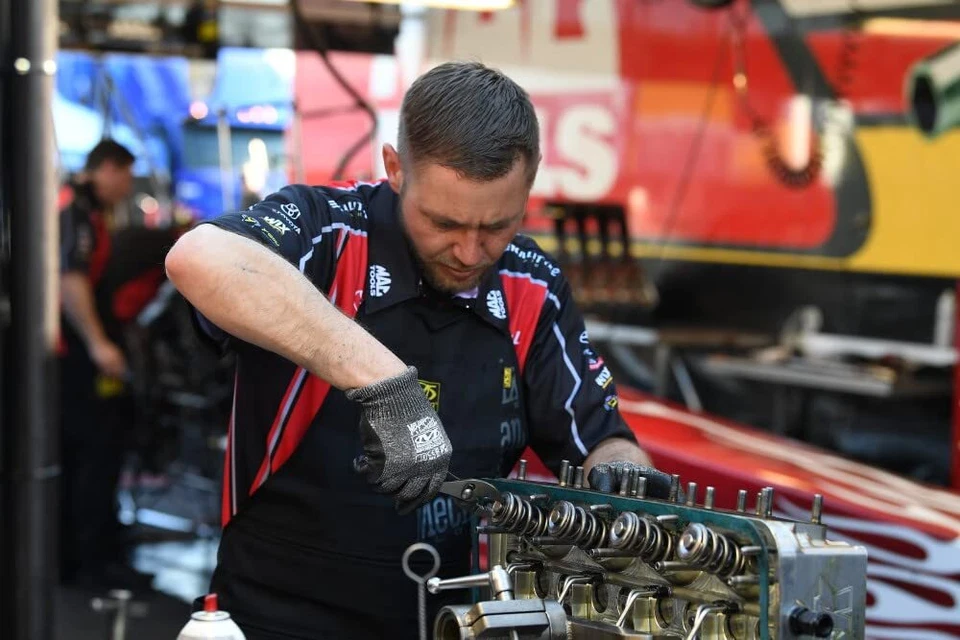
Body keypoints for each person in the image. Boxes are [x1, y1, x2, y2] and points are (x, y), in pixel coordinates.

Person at [165, 61, 675, 639]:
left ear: (529, 186)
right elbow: (198, 259)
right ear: (394, 169)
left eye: (498, 226)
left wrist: (625, 480)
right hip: (274, 615)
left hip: (450, 616)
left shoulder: (531, 283)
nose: (469, 250)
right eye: (445, 222)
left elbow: (599, 437)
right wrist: (388, 386)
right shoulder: (328, 231)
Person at [58, 139, 150, 588]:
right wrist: (99, 344)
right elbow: (69, 280)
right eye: (127, 175)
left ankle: (79, 556)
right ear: (108, 169)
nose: (128, 186)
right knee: (95, 453)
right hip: (73, 357)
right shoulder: (73, 211)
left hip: (71, 355)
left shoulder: (84, 210)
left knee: (84, 455)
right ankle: (93, 563)